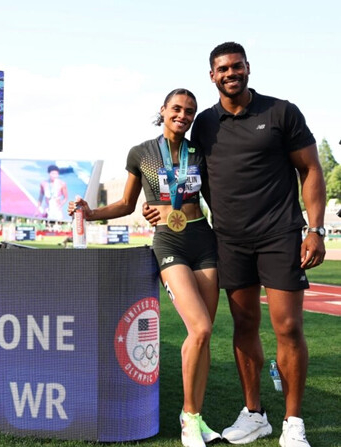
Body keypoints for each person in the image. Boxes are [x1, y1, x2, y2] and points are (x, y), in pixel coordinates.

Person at [143, 42, 326, 447]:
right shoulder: (204, 125)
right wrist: (155, 205)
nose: (230, 73)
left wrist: (316, 229)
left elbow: (310, 168)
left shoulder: (281, 112)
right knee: (244, 326)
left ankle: (293, 423)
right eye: (222, 68)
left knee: (289, 327)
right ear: (212, 76)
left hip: (279, 234)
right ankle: (255, 413)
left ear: (247, 68)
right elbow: (179, 172)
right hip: (228, 240)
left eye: (236, 66)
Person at [69, 88, 221, 447]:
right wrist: (91, 213)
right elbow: (125, 203)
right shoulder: (141, 153)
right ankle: (187, 417)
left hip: (204, 242)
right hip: (169, 244)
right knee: (198, 328)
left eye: (190, 111)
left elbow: (215, 198)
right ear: (163, 110)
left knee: (204, 335)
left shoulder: (199, 151)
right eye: (177, 109)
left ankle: (196, 419)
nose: (183, 116)